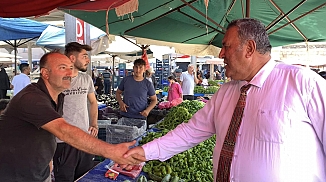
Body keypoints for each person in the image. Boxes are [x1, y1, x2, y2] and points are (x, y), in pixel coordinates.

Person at [124, 18, 326, 181]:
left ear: (249, 49)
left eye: (226, 46)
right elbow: (189, 132)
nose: (221, 54)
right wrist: (143, 152)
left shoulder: (303, 83)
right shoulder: (226, 92)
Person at [0, 51, 140, 182]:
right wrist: (111, 151)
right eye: (62, 68)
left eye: (71, 68)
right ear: (45, 73)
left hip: (38, 171)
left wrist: (49, 159)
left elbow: (47, 132)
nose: (70, 73)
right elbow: (63, 130)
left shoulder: (58, 96)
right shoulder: (32, 98)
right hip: (14, 174)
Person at [53, 42, 99, 181]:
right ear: (72, 58)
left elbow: (93, 102)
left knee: (85, 177)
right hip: (63, 142)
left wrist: (94, 123)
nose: (88, 60)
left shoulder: (86, 79)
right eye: (84, 56)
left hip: (84, 139)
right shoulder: (57, 80)